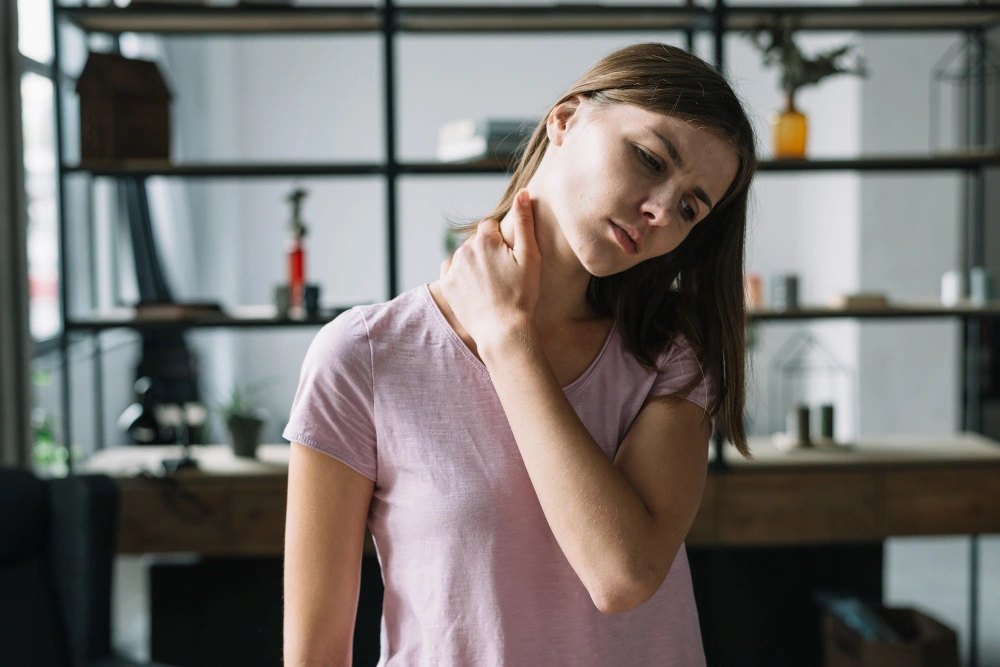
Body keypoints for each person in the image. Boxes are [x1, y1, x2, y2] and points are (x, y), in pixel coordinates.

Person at [283, 41, 758, 666]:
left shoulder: (672, 354)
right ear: (564, 119)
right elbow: (315, 654)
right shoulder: (364, 356)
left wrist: (509, 340)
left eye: (692, 206)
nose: (661, 211)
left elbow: (622, 575)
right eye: (648, 158)